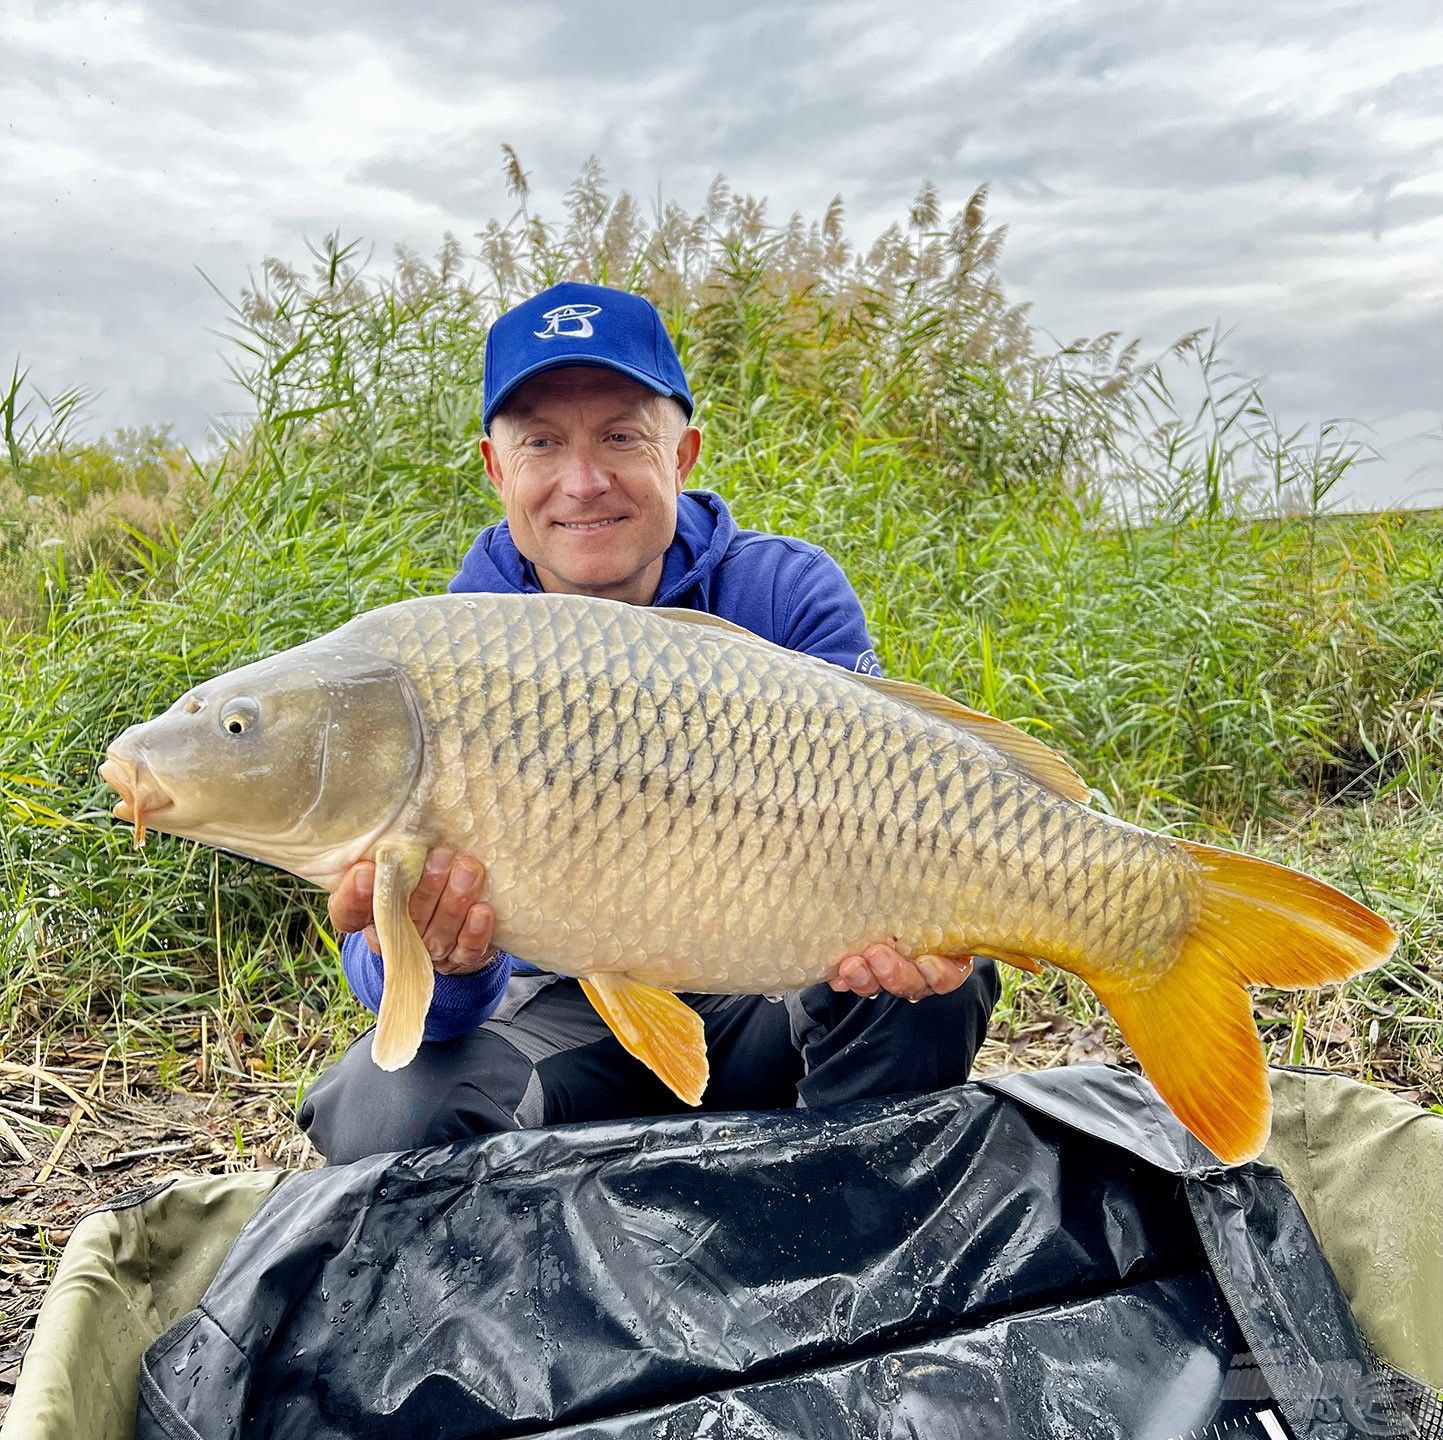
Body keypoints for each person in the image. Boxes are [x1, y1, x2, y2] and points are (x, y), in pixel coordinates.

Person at [299, 282, 1000, 1164]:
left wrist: (908, 924)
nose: (582, 482)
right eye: (542, 444)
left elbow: (890, 814)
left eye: (621, 437)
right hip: (568, 1025)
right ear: (495, 468)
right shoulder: (443, 658)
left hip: (770, 994)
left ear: (683, 454)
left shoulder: (781, 594)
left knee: (936, 980)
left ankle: (838, 1223)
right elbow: (408, 1004)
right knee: (384, 1116)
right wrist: (447, 960)